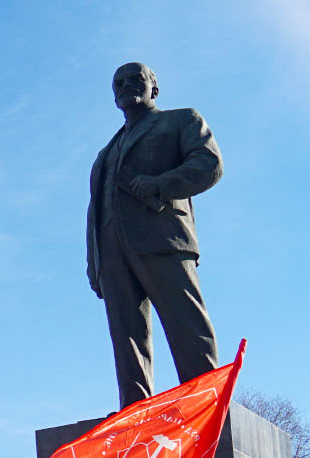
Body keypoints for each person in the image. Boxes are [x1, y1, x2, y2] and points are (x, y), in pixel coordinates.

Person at [87, 61, 225, 408]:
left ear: (154, 88)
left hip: (162, 238)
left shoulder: (180, 120)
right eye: (118, 82)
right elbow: (95, 208)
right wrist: (95, 261)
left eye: (136, 79)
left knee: (186, 323)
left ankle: (202, 400)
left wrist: (160, 185)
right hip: (113, 254)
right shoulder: (104, 154)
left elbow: (209, 164)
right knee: (126, 338)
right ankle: (134, 411)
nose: (126, 85)